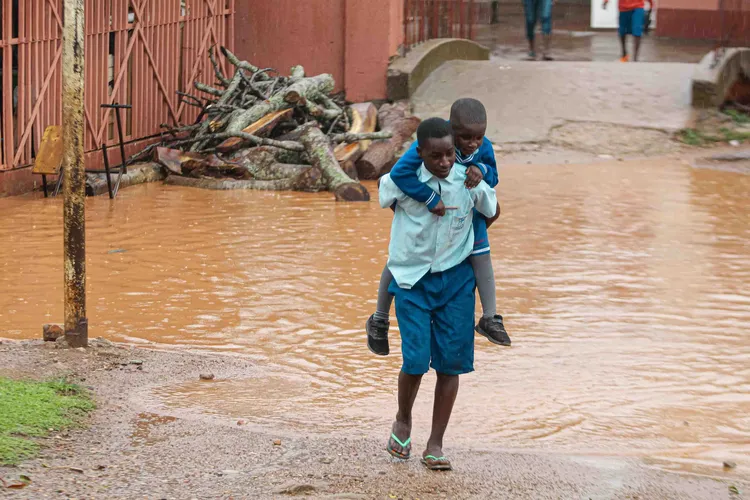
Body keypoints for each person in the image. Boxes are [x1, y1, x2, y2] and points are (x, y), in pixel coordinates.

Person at [378, 118, 499, 470]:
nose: (445, 163)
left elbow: (493, 210)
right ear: (421, 154)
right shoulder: (404, 181)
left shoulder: (468, 178)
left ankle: (435, 444)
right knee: (415, 361)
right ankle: (403, 419)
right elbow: (385, 194)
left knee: (451, 364)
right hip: (412, 282)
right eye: (436, 157)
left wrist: (470, 222)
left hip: (456, 283)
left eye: (449, 154)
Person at [366, 98, 510, 357]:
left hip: (466, 206)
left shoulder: (482, 146)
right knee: (401, 254)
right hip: (429, 203)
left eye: (478, 138)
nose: (472, 144)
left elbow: (494, 180)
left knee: (481, 254)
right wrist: (428, 200)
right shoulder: (432, 141)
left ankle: (490, 317)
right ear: (450, 133)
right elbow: (397, 176)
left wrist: (480, 168)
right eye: (465, 138)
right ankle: (379, 318)